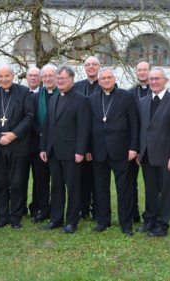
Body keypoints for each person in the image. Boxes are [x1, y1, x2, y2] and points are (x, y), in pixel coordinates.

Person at [87, 67, 139, 236]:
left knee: (124, 188)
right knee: (100, 188)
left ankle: (126, 223)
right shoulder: (92, 99)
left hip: (121, 151)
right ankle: (103, 221)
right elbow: (88, 127)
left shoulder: (126, 97)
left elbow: (134, 124)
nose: (106, 80)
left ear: (114, 79)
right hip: (99, 151)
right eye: (103, 78)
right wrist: (88, 149)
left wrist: (133, 148)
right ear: (99, 81)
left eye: (109, 77)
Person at [136, 67, 170, 237]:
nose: (154, 82)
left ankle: (162, 224)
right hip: (147, 156)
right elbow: (142, 130)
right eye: (151, 79)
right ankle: (149, 220)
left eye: (157, 78)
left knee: (165, 191)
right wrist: (139, 153)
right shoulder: (142, 102)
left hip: (167, 157)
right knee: (150, 190)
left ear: (166, 81)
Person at [39, 65, 90, 234]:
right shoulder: (54, 97)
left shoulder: (81, 99)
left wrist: (80, 151)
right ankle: (56, 218)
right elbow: (48, 125)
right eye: (58, 78)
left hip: (72, 152)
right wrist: (44, 147)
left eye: (63, 78)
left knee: (73, 188)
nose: (59, 81)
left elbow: (84, 128)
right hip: (54, 151)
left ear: (71, 79)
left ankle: (71, 222)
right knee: (56, 187)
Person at [0, 64, 33, 229]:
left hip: (18, 146)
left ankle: (16, 217)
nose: (4, 79)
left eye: (7, 76)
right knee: (0, 184)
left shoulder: (24, 92)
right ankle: (2, 217)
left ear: (12, 76)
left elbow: (29, 116)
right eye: (1, 76)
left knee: (18, 183)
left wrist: (13, 134)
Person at [73, 56, 101, 220]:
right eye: (87, 65)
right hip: (80, 142)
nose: (91, 67)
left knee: (97, 180)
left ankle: (97, 210)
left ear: (99, 67)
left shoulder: (106, 84)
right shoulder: (77, 87)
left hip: (98, 142)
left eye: (94, 64)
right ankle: (82, 209)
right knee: (81, 179)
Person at [29, 64, 57, 223]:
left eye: (50, 75)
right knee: (41, 180)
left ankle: (56, 208)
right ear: (41, 79)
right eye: (44, 76)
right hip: (40, 144)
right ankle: (43, 209)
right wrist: (43, 133)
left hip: (59, 145)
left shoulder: (62, 95)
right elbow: (31, 118)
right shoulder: (34, 97)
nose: (47, 78)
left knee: (57, 181)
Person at [128, 60, 152, 224]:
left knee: (152, 184)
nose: (142, 73)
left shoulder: (157, 90)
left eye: (145, 70)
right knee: (130, 182)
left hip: (152, 145)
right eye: (139, 70)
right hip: (134, 145)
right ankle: (133, 213)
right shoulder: (130, 93)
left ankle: (151, 215)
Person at [24, 66, 42, 216]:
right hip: (20, 144)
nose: (33, 78)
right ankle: (20, 207)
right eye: (31, 75)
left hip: (38, 144)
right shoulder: (20, 93)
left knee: (39, 179)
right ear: (26, 77)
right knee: (20, 178)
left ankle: (37, 207)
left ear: (40, 78)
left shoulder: (44, 94)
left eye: (36, 76)